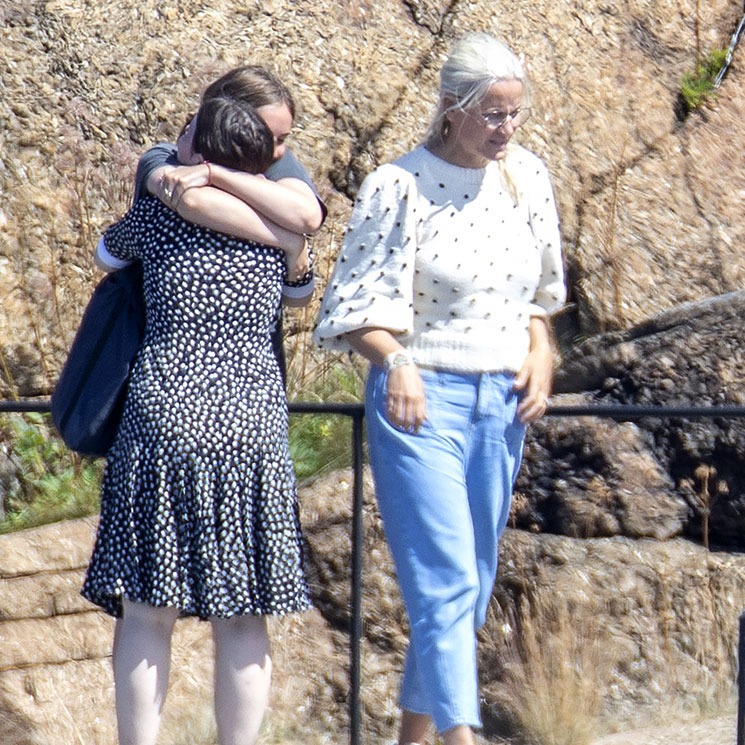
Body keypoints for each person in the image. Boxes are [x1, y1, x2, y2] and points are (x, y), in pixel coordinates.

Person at [314, 32, 565, 745]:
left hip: (503, 403)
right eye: (491, 114)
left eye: (514, 114)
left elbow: (539, 295)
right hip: (420, 401)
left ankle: (411, 739)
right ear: (451, 110)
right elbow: (350, 309)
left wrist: (541, 347)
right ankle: (462, 735)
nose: (505, 129)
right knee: (448, 581)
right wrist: (396, 363)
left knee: (470, 587)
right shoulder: (399, 186)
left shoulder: (528, 178)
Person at [82, 94, 312, 745]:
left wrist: (172, 187)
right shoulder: (282, 238)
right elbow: (300, 295)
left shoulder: (159, 218)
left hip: (164, 417)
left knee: (147, 609)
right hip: (250, 426)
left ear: (199, 147)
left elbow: (106, 254)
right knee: (243, 615)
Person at [135, 64, 327, 377]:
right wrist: (288, 241)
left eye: (283, 138)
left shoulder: (271, 164)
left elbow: (307, 215)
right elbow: (193, 200)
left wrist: (216, 174)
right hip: (165, 368)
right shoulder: (164, 157)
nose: (279, 152)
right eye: (270, 137)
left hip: (246, 380)